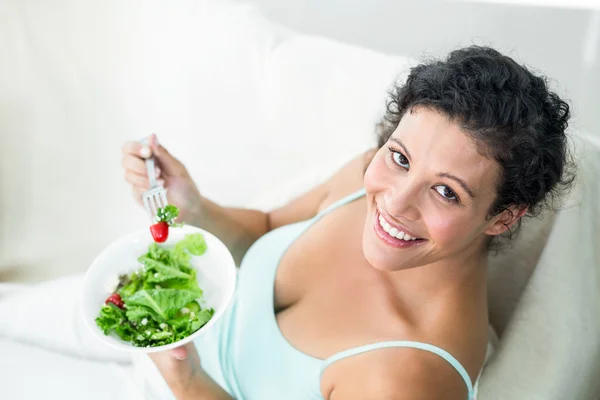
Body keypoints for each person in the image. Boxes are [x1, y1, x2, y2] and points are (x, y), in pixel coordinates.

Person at [121, 46, 575, 400]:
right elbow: (264, 228)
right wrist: (193, 208)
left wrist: (185, 382)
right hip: (156, 340)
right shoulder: (366, 177)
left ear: (502, 217)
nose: (395, 202)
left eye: (446, 191)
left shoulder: (409, 378)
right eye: (400, 157)